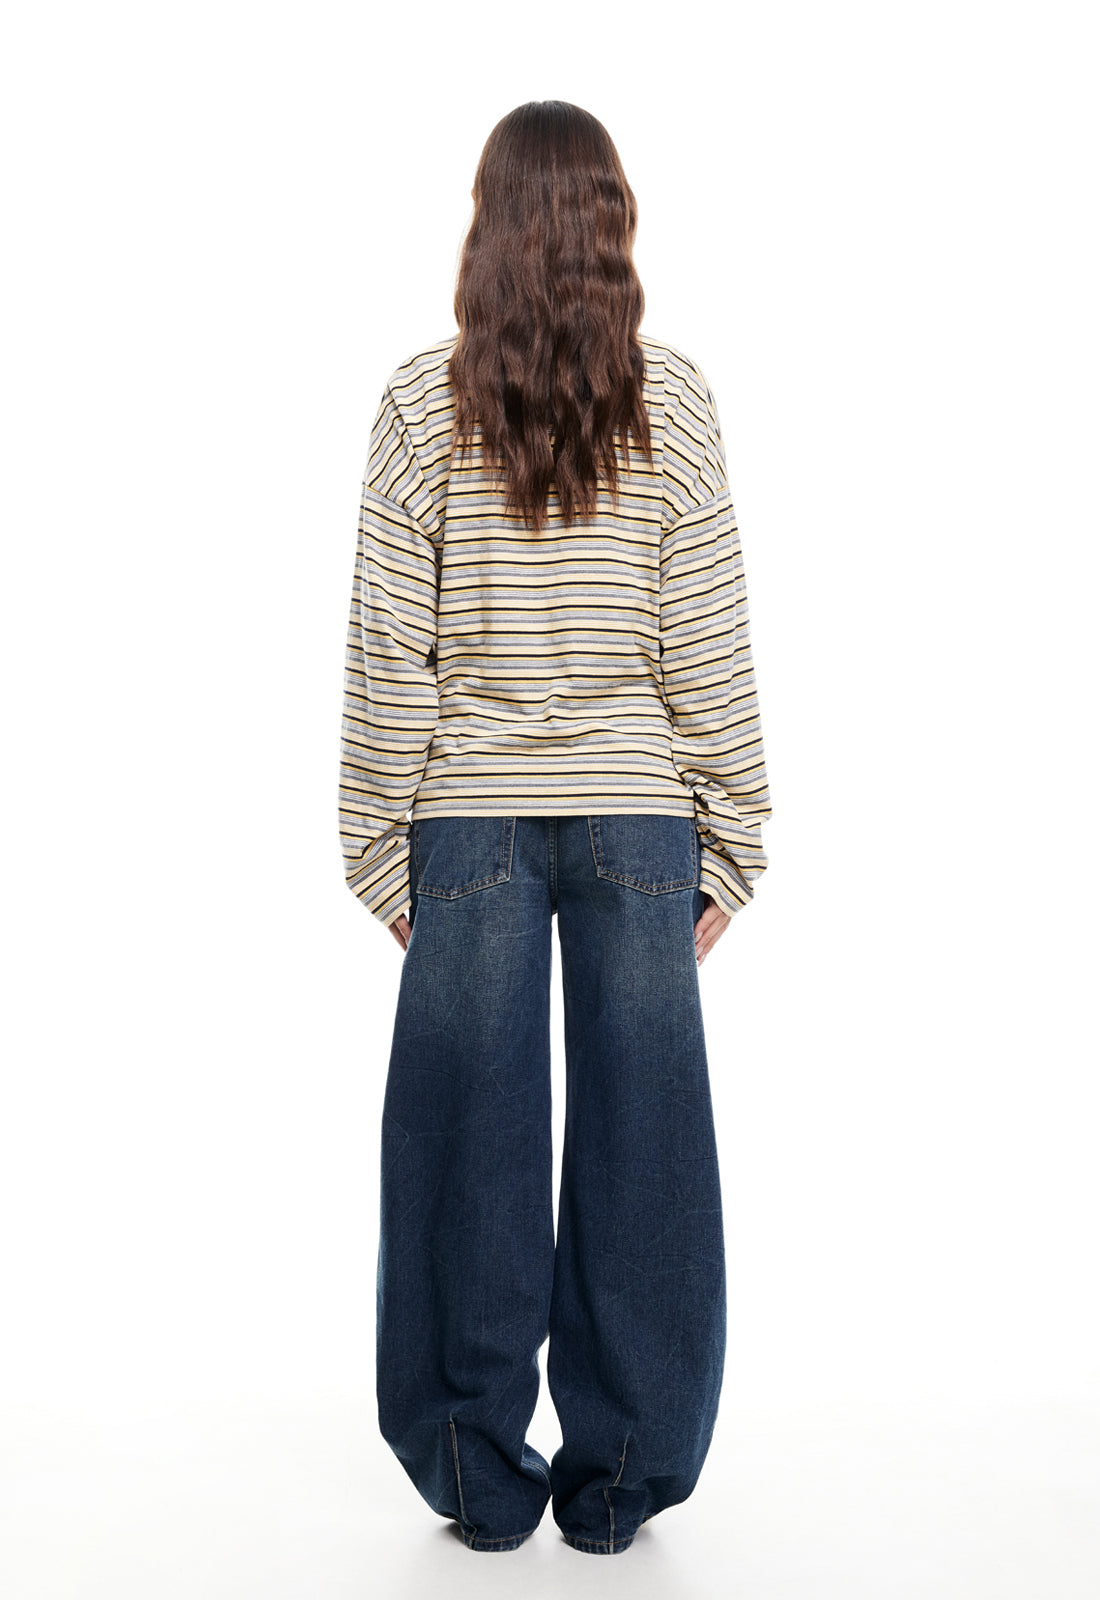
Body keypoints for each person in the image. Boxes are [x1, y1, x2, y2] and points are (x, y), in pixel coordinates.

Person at [337, 100, 772, 1555]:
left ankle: (472, 1469)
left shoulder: (423, 401)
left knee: (466, 1148)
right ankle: (624, 1473)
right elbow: (704, 633)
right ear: (611, 228)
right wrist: (734, 836)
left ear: (486, 224)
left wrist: (377, 842)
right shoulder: (672, 400)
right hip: (639, 816)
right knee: (648, 1148)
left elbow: (391, 644)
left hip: (466, 818)